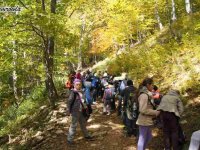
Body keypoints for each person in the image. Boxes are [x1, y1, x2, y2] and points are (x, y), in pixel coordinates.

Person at [136, 77, 160, 150]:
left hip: (147, 120)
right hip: (144, 121)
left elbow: (149, 105)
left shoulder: (147, 94)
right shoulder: (144, 95)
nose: (153, 87)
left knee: (148, 137)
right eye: (152, 85)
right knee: (142, 138)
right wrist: (155, 112)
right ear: (147, 85)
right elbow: (142, 109)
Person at [66, 79, 92, 144]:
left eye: (79, 84)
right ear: (74, 85)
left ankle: (87, 135)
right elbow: (69, 102)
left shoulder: (82, 91)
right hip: (75, 112)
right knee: (73, 125)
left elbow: (84, 101)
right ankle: (70, 139)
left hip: (82, 111)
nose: (78, 85)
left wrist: (87, 108)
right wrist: (68, 111)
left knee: (83, 124)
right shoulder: (73, 93)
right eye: (77, 84)